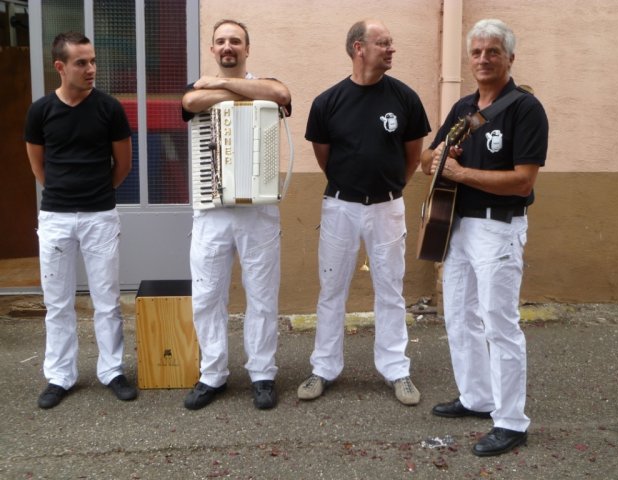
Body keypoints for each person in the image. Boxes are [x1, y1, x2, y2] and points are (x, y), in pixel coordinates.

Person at [421, 19, 549, 456]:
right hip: (457, 226)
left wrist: (461, 172)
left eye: (492, 52)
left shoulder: (525, 108)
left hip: (499, 228)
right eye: (476, 52)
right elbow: (425, 161)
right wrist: (441, 156)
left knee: (499, 324)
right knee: (460, 316)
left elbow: (523, 182)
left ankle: (512, 421)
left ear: (509, 58)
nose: (482, 59)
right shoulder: (462, 109)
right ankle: (477, 398)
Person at [297, 19, 430, 406]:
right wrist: (351, 189)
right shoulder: (328, 102)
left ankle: (396, 370)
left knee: (390, 289)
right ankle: (323, 368)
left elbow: (412, 154)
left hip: (387, 206)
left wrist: (388, 188)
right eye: (383, 43)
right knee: (331, 289)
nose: (391, 49)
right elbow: (325, 157)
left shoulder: (405, 98)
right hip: (340, 206)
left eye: (391, 43)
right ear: (359, 47)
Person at [181, 19, 291, 411]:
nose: (228, 47)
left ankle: (262, 373)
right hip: (211, 210)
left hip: (258, 211)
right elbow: (190, 103)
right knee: (207, 296)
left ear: (247, 48)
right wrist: (224, 89)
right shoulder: (199, 88)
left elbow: (280, 94)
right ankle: (213, 374)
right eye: (221, 41)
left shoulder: (259, 83)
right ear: (213, 49)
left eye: (236, 41)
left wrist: (221, 86)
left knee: (262, 295)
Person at [24, 32, 136, 409]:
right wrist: (64, 193)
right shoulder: (40, 111)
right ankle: (59, 376)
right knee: (57, 302)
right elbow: (38, 165)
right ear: (60, 66)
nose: (91, 69)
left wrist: (96, 194)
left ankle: (112, 370)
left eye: (92, 61)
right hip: (55, 217)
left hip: (100, 216)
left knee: (106, 299)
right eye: (81, 63)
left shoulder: (109, 109)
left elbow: (123, 164)